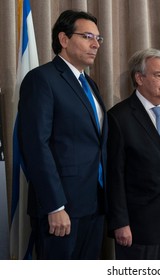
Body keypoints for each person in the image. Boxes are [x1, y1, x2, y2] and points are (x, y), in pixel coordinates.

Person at [17, 10, 107, 259]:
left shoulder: (90, 84)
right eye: (88, 36)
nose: (95, 44)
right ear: (64, 39)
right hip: (62, 208)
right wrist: (55, 205)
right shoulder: (41, 80)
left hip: (94, 204)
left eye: (98, 39)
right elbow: (36, 145)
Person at [107, 48, 160, 260]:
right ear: (139, 78)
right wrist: (120, 222)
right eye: (158, 75)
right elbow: (114, 177)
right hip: (138, 228)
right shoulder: (119, 117)